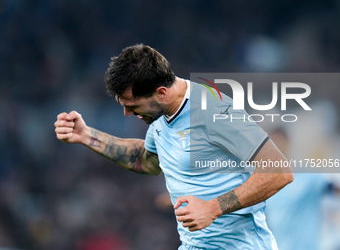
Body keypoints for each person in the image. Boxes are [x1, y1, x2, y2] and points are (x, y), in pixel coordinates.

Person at [54, 44, 293, 249]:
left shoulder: (214, 111)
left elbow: (279, 171)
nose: (127, 113)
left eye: (133, 105)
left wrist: (212, 208)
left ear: (161, 93)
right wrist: (87, 136)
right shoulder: (161, 115)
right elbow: (147, 160)